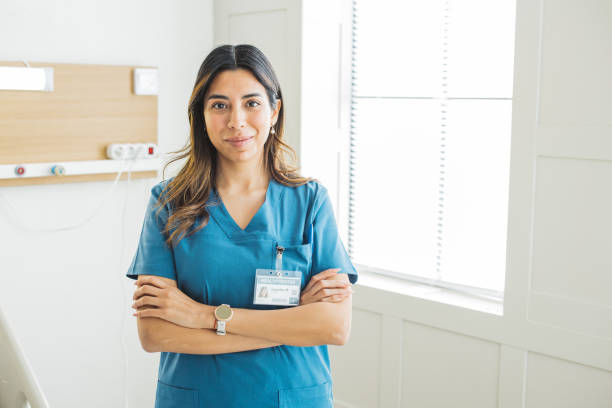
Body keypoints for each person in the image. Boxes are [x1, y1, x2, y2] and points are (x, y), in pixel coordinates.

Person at [126, 44, 358, 408]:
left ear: (274, 110)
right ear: (201, 114)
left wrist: (201, 316)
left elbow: (333, 327)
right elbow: (155, 334)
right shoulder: (169, 204)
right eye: (219, 105)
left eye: (251, 103)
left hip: (293, 397)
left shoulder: (310, 202)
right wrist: (291, 325)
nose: (236, 121)